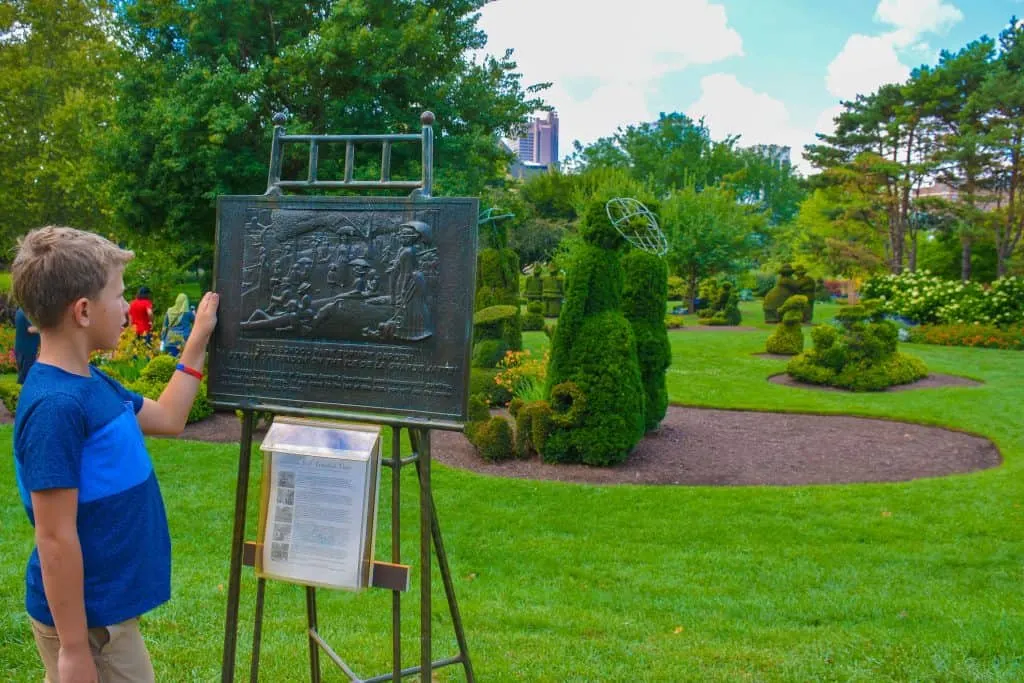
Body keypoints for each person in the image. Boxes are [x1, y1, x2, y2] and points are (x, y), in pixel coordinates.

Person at [11, 226, 219, 683]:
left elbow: (168, 417)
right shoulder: (57, 408)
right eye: (119, 296)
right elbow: (55, 537)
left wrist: (198, 340)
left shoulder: (93, 383)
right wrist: (72, 651)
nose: (127, 308)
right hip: (90, 628)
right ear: (83, 311)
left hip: (103, 617)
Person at [159, 293, 195, 357]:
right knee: (182, 361)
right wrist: (194, 313)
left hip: (170, 339)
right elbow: (195, 322)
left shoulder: (169, 311)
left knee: (171, 359)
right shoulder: (188, 313)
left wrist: (163, 339)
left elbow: (165, 326)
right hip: (183, 340)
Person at [14, 307, 39, 384]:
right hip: (27, 349)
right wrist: (46, 328)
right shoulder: (26, 313)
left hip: (21, 348)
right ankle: (20, 394)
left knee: (24, 374)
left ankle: (19, 392)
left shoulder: (19, 311)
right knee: (25, 377)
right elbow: (31, 329)